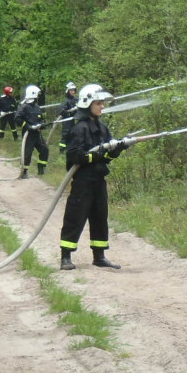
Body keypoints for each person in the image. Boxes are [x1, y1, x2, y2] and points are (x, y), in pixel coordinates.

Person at [59, 83, 131, 271]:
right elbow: (75, 157)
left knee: (100, 217)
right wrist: (97, 154)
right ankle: (65, 257)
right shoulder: (79, 129)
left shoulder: (103, 128)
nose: (102, 106)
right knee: (75, 217)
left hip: (99, 180)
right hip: (83, 181)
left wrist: (118, 149)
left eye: (102, 103)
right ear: (87, 104)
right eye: (99, 103)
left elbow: (107, 157)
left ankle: (99, 256)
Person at [15, 84, 49, 179]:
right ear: (33, 94)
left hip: (37, 134)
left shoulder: (37, 107)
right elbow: (17, 118)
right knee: (27, 153)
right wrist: (28, 126)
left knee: (44, 149)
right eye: (37, 94)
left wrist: (42, 125)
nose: (38, 96)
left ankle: (41, 168)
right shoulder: (24, 107)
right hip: (28, 134)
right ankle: (24, 171)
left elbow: (41, 118)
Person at [57, 81, 78, 153]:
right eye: (71, 90)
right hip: (66, 121)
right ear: (68, 91)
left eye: (73, 90)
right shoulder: (66, 101)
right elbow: (62, 111)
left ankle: (70, 148)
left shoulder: (75, 100)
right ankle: (61, 150)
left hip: (73, 120)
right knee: (65, 135)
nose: (72, 92)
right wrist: (70, 111)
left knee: (73, 134)